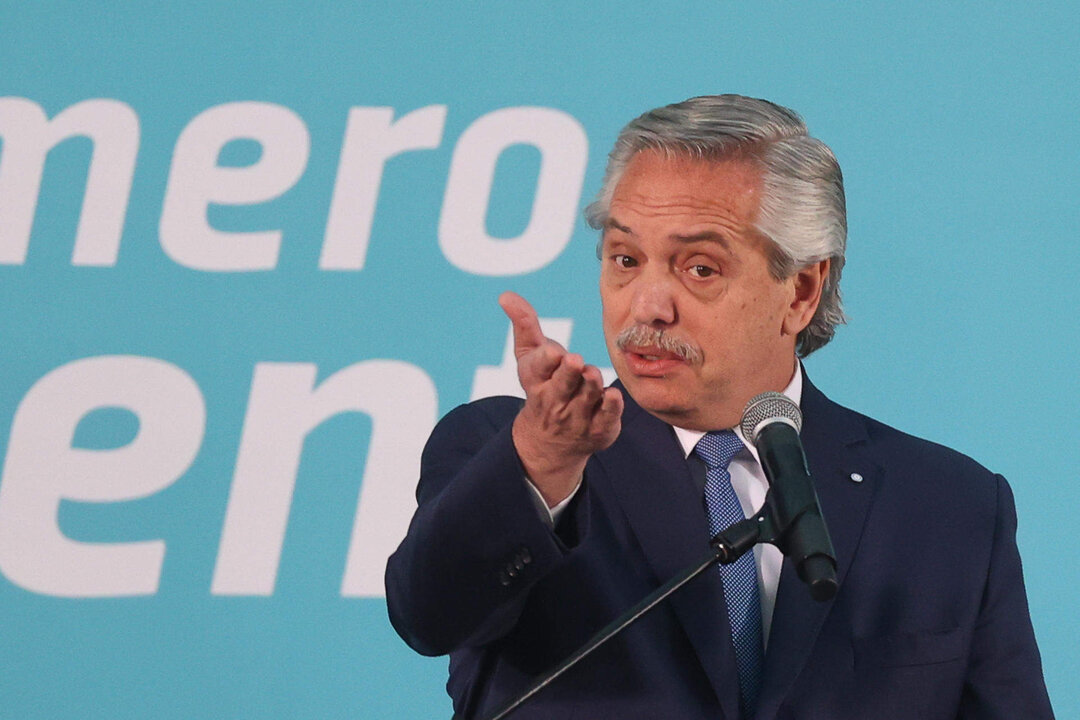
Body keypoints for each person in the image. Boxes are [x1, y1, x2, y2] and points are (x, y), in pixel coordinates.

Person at [385, 95, 1054, 720]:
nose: (647, 304)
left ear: (800, 290)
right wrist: (541, 460)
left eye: (698, 268)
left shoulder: (951, 505)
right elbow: (428, 615)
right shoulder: (507, 453)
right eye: (624, 258)